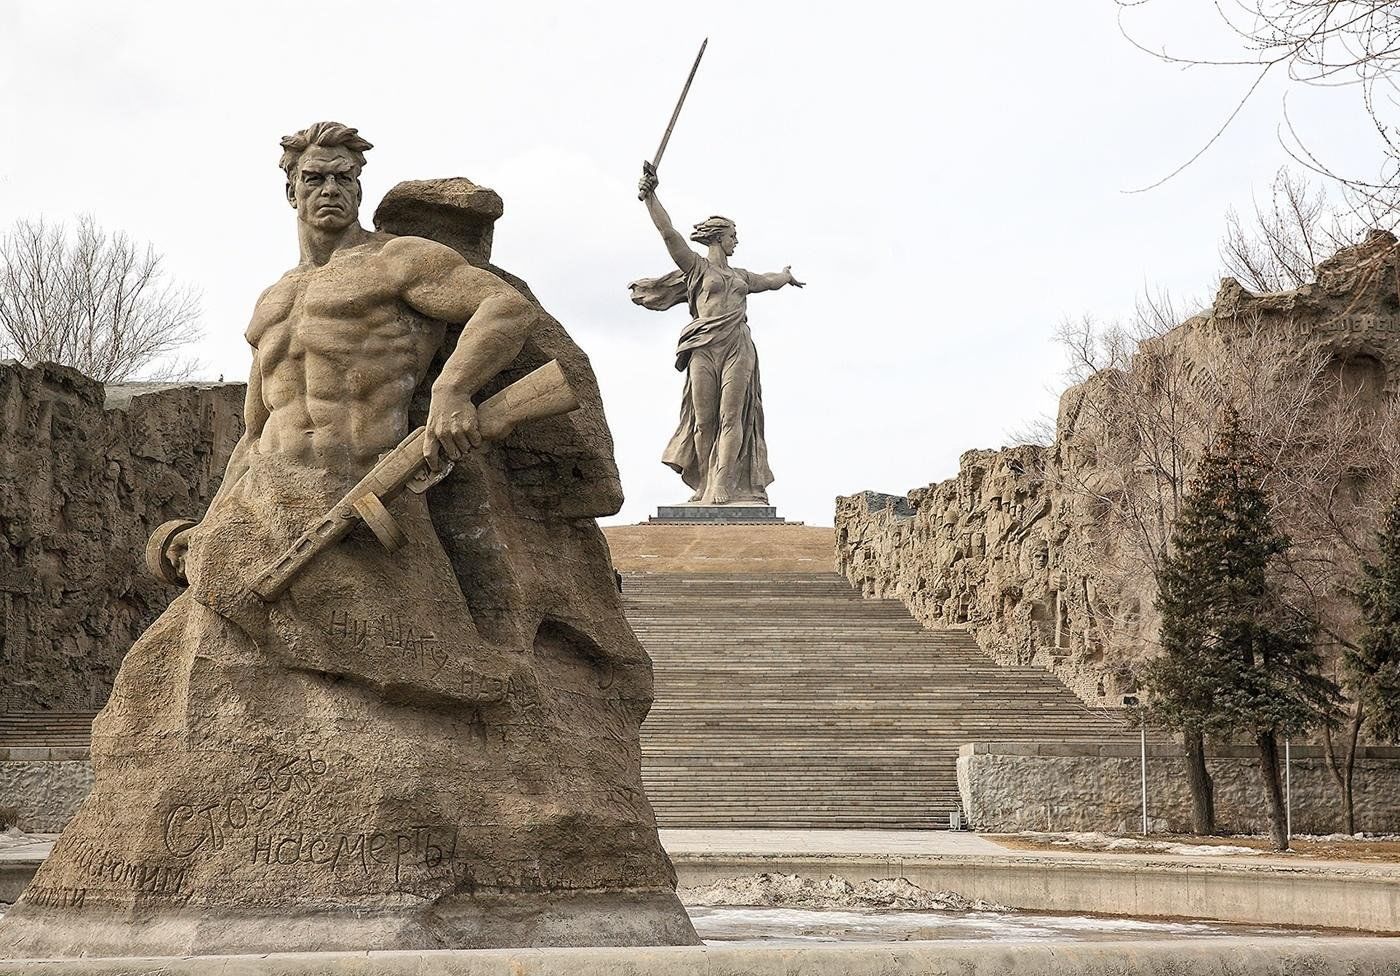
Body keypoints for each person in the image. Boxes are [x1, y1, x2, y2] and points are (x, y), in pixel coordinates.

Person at [631, 161, 803, 505]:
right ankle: (704, 483)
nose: (736, 240)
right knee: (703, 420)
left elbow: (769, 281)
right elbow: (669, 235)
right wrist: (651, 197)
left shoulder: (741, 276)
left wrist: (785, 275)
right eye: (733, 236)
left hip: (737, 346)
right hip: (703, 347)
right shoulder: (696, 267)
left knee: (731, 415)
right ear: (718, 237)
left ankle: (723, 485)